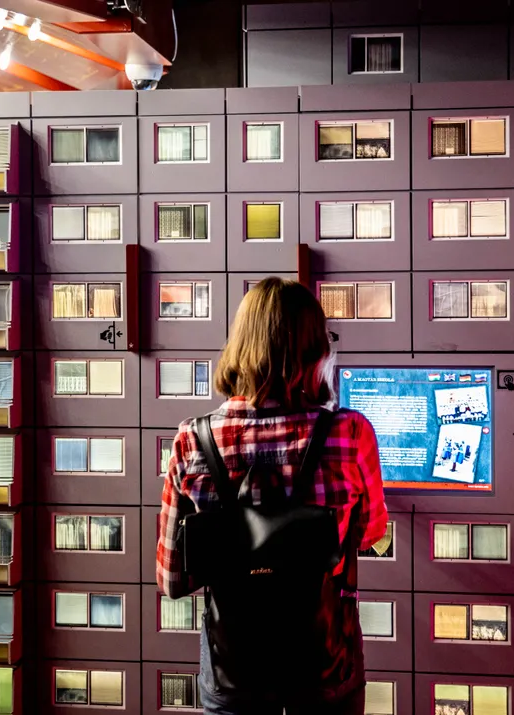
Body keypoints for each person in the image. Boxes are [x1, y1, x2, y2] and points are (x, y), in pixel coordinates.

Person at [156, 277, 389, 715]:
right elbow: (371, 531)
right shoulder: (349, 434)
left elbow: (171, 579)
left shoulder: (192, 440)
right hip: (322, 662)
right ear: (315, 352)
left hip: (234, 671)